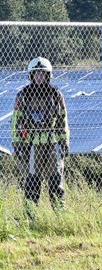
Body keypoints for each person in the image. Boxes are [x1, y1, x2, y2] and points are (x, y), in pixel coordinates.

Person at [11, 57, 70, 217]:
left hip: (53, 143)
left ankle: (60, 216)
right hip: (32, 145)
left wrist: (65, 141)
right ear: (31, 75)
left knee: (55, 180)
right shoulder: (23, 95)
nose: (39, 77)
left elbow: (63, 119)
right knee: (32, 181)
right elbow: (16, 120)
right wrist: (18, 144)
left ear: (48, 75)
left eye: (42, 74)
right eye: (36, 74)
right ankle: (30, 216)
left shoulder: (56, 94)